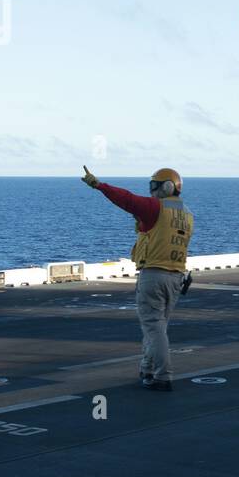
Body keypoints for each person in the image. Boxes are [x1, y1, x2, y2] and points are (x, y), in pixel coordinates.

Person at [82, 166, 194, 390]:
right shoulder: (187, 215)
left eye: (155, 185)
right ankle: (148, 369)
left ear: (167, 186)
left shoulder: (155, 207)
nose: (152, 190)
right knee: (158, 327)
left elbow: (126, 199)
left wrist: (99, 185)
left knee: (154, 328)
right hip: (175, 278)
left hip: (153, 275)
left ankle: (163, 376)